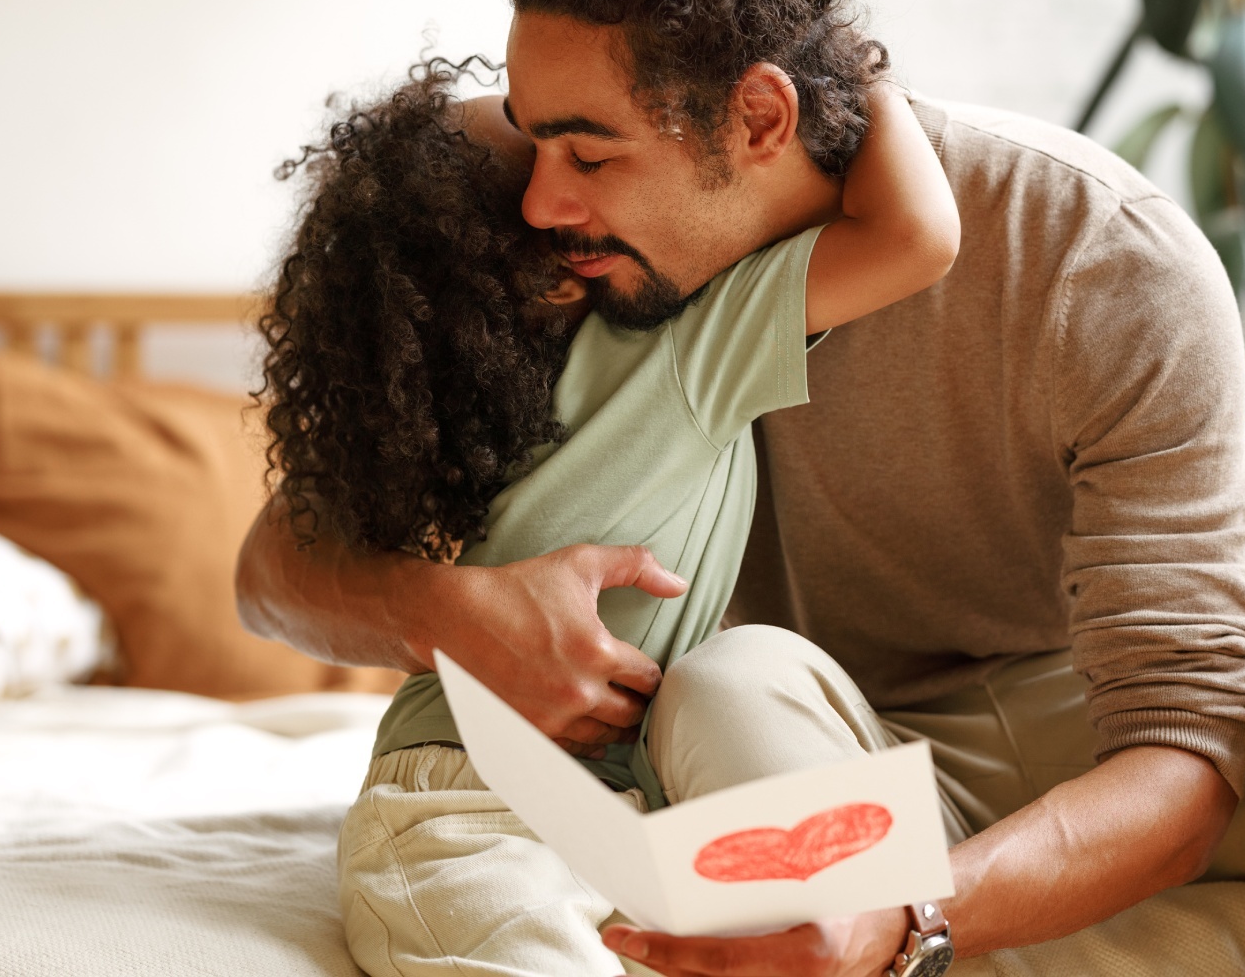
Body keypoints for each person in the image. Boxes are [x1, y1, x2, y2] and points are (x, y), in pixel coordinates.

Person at [238, 0, 1245, 975]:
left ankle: (900, 940)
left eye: (587, 150)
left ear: (759, 118)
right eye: (532, 138)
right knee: (733, 676)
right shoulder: (547, 215)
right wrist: (449, 613)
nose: (541, 191)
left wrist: (916, 910)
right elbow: (273, 567)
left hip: (1077, 727)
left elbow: (1186, 743)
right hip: (795, 741)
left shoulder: (1098, 258)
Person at [259, 48, 959, 973]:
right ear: (553, 267)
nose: (556, 182)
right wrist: (862, 77)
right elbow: (914, 233)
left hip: (541, 796)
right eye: (541, 160)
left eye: (583, 156)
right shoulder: (677, 341)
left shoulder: (423, 419)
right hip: (475, 798)